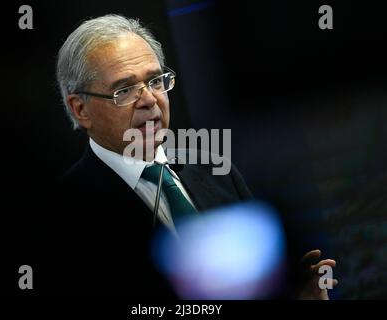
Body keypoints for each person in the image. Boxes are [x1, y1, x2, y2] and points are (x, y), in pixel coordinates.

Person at [48, 14, 337, 299]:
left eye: (156, 81)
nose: (149, 100)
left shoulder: (214, 168)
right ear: (80, 109)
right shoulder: (68, 211)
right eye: (124, 90)